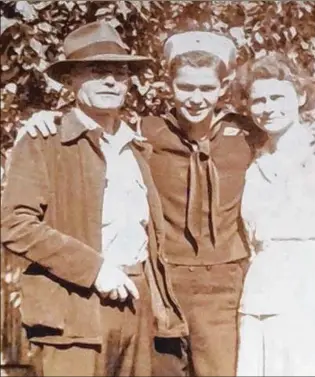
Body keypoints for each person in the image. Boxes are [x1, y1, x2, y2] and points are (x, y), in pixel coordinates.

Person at [18, 31, 266, 377]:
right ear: (169, 86)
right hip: (159, 283)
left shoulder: (248, 136)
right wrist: (43, 120)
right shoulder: (145, 131)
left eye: (207, 88)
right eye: (185, 87)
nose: (196, 98)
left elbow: (292, 146)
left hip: (222, 284)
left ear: (223, 88)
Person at [1, 21, 187, 377]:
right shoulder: (44, 141)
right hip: (74, 312)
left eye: (120, 73)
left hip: (139, 306)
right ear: (71, 80)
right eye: (98, 72)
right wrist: (94, 269)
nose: (111, 82)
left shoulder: (138, 147)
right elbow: (14, 224)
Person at [235, 52, 315, 376]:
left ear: (301, 96)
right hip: (263, 299)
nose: (268, 107)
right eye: (259, 100)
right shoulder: (253, 163)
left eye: (278, 96)